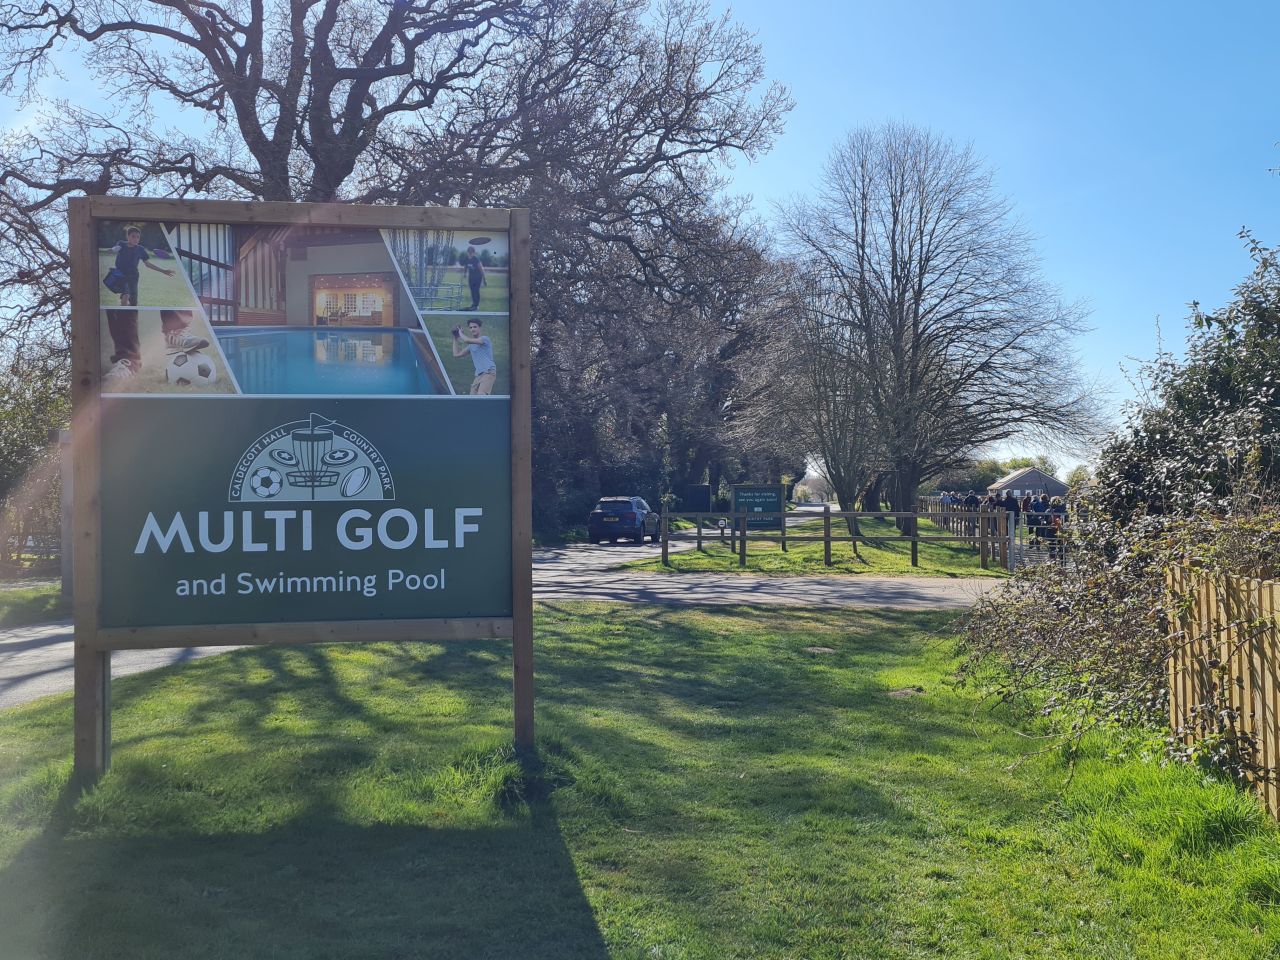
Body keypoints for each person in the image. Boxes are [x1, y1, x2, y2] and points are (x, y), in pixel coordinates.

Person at [452, 317, 497, 395]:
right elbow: (456, 354)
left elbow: (466, 340)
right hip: (478, 375)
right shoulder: (471, 346)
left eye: (475, 327)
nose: (472, 329)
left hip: (488, 371)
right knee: (472, 399)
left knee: (481, 395)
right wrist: (455, 338)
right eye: (471, 327)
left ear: (480, 328)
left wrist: (460, 332)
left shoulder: (485, 339)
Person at [461, 246, 486, 311]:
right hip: (471, 277)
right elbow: (465, 266)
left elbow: (481, 269)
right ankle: (474, 304)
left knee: (476, 290)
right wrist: (465, 274)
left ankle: (476, 305)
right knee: (472, 291)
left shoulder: (476, 259)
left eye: (471, 252)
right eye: (469, 252)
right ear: (467, 252)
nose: (470, 253)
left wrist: (484, 279)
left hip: (478, 277)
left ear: (474, 253)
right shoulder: (467, 259)